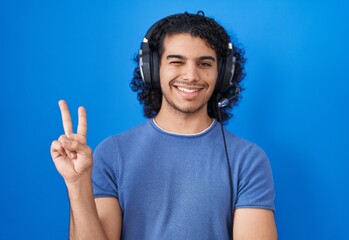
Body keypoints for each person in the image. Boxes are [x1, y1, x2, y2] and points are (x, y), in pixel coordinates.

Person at [50, 12, 277, 240]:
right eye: (176, 61)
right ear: (152, 69)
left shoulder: (248, 160)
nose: (191, 75)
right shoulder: (112, 153)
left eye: (204, 63)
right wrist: (78, 184)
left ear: (222, 75)